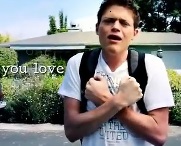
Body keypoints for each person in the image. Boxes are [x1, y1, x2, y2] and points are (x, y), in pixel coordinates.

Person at [57, 0, 175, 145]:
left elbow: (158, 135)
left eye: (124, 23)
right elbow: (71, 131)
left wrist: (104, 99)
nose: (115, 27)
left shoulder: (151, 66)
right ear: (97, 28)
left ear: (135, 33)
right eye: (109, 21)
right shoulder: (78, 63)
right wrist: (120, 101)